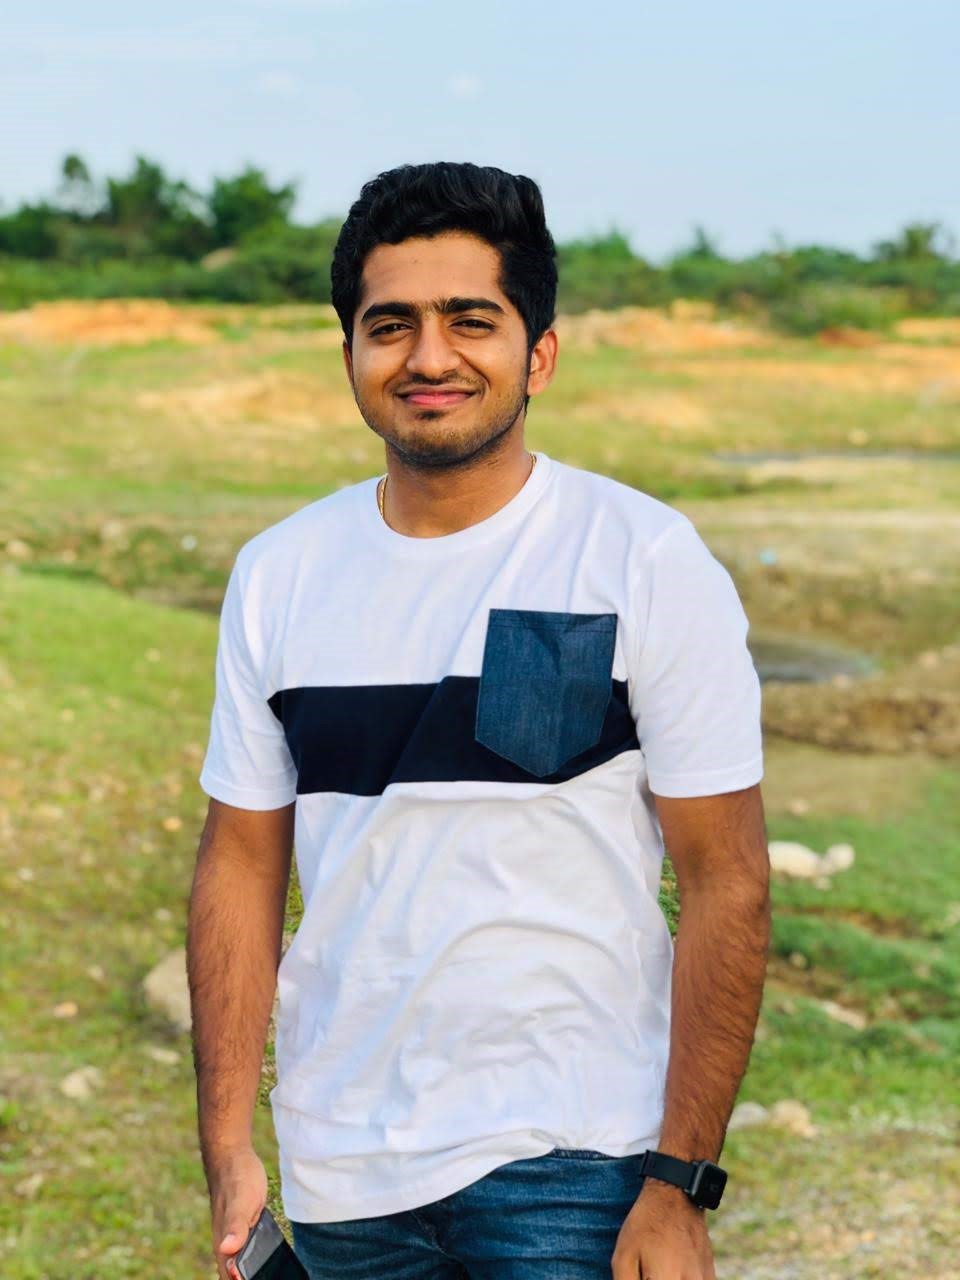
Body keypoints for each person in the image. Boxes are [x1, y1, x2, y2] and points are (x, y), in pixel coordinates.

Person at [187, 161, 771, 1280]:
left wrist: (679, 1180)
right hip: (342, 1169)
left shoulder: (641, 558)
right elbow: (241, 863)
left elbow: (727, 877)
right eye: (390, 324)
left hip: (574, 1159)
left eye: (471, 320)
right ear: (350, 354)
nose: (429, 356)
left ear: (538, 353)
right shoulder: (279, 574)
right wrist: (227, 1144)